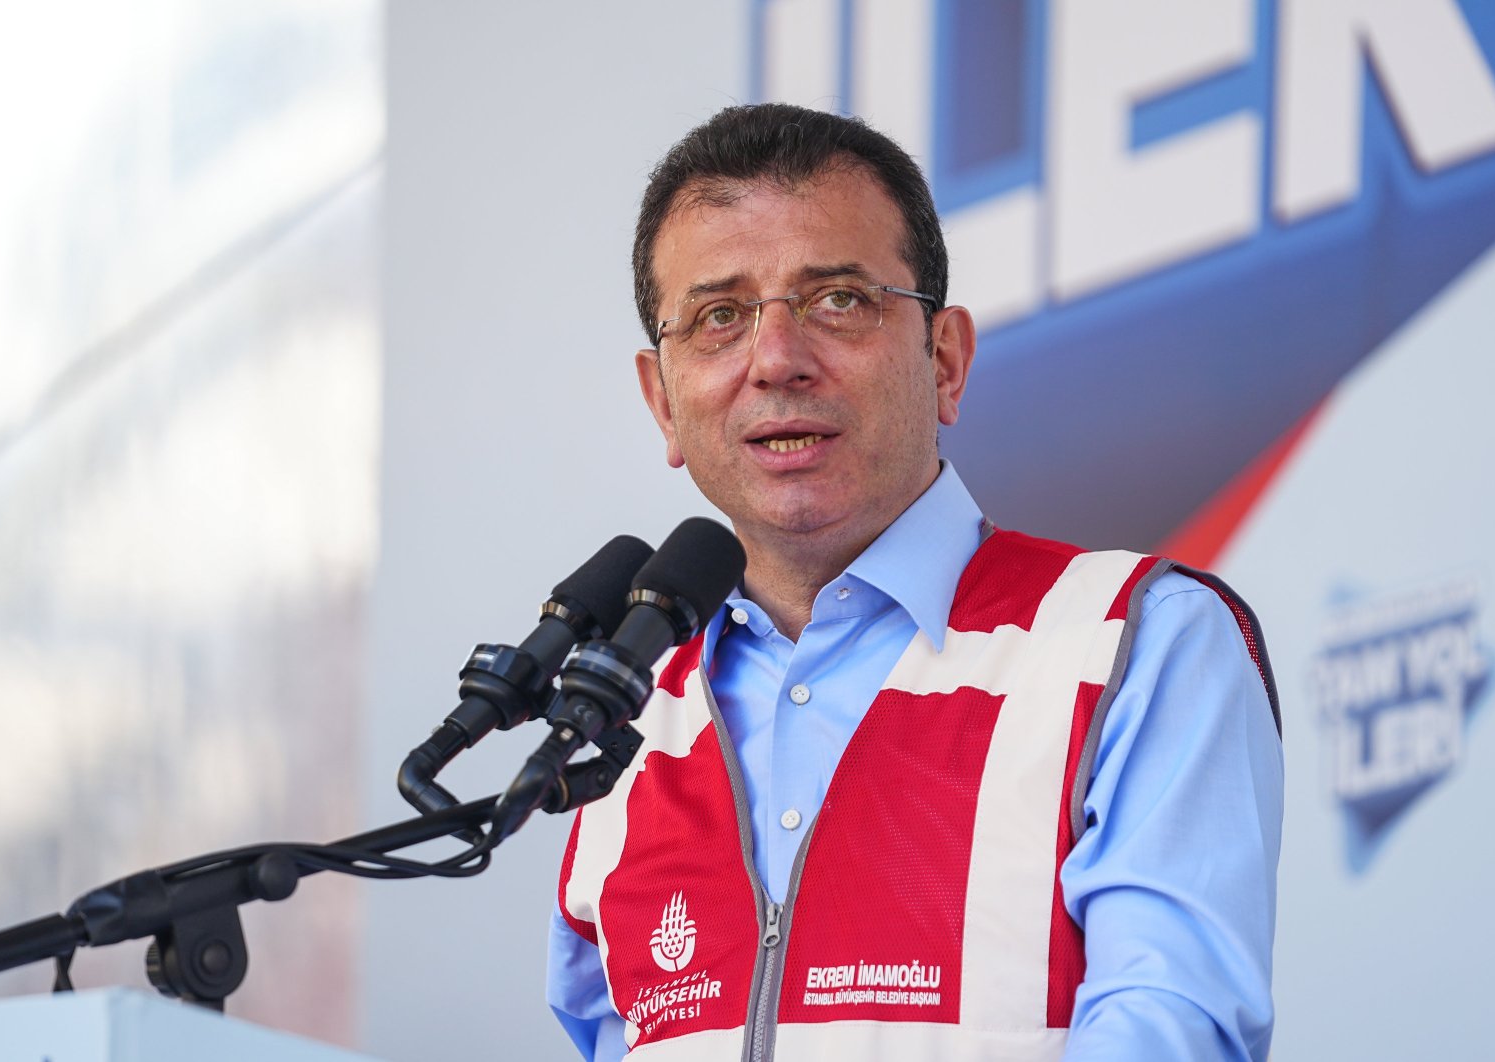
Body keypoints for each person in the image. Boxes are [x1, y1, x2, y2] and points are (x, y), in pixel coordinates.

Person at [546, 102, 1283, 1061]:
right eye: (720, 316)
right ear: (664, 403)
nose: (776, 359)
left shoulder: (1137, 644)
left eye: (838, 299)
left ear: (944, 361)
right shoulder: (623, 724)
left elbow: (1172, 1033)